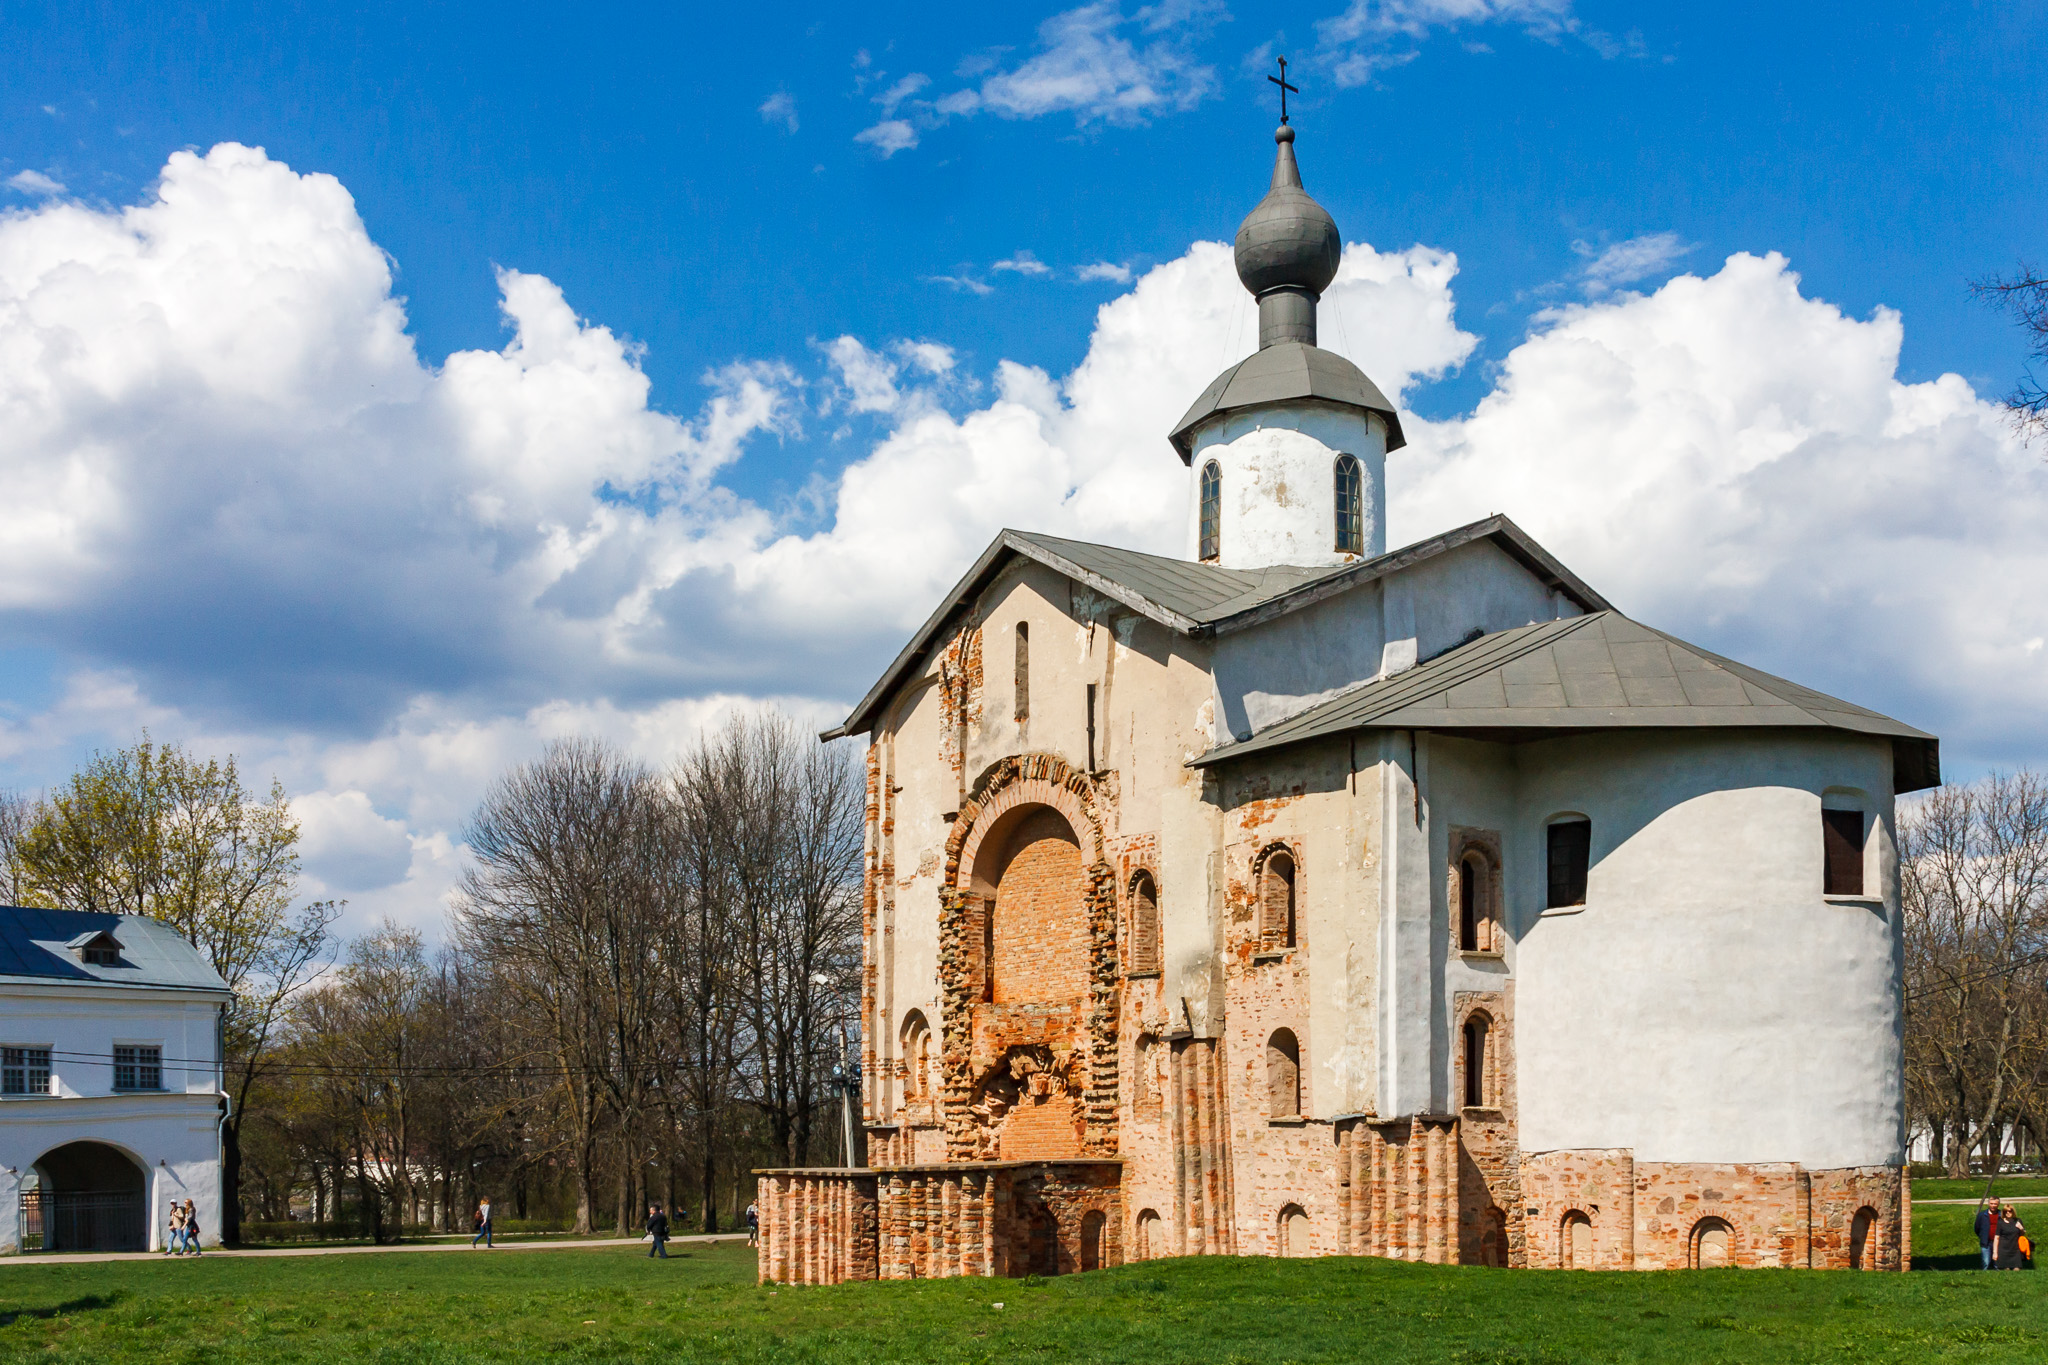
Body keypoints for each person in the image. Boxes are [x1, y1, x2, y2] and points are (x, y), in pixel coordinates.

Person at [1977, 1197, 2003, 1270]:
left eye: (1995, 1204)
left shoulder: (2002, 1215)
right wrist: (1982, 1236)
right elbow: (1977, 1228)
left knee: (1997, 1263)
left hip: (1998, 1242)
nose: (1993, 1205)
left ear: (1998, 1204)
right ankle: (1984, 1276)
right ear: (1988, 1204)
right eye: (1991, 1203)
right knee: (1986, 1262)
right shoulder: (1982, 1215)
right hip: (1986, 1242)